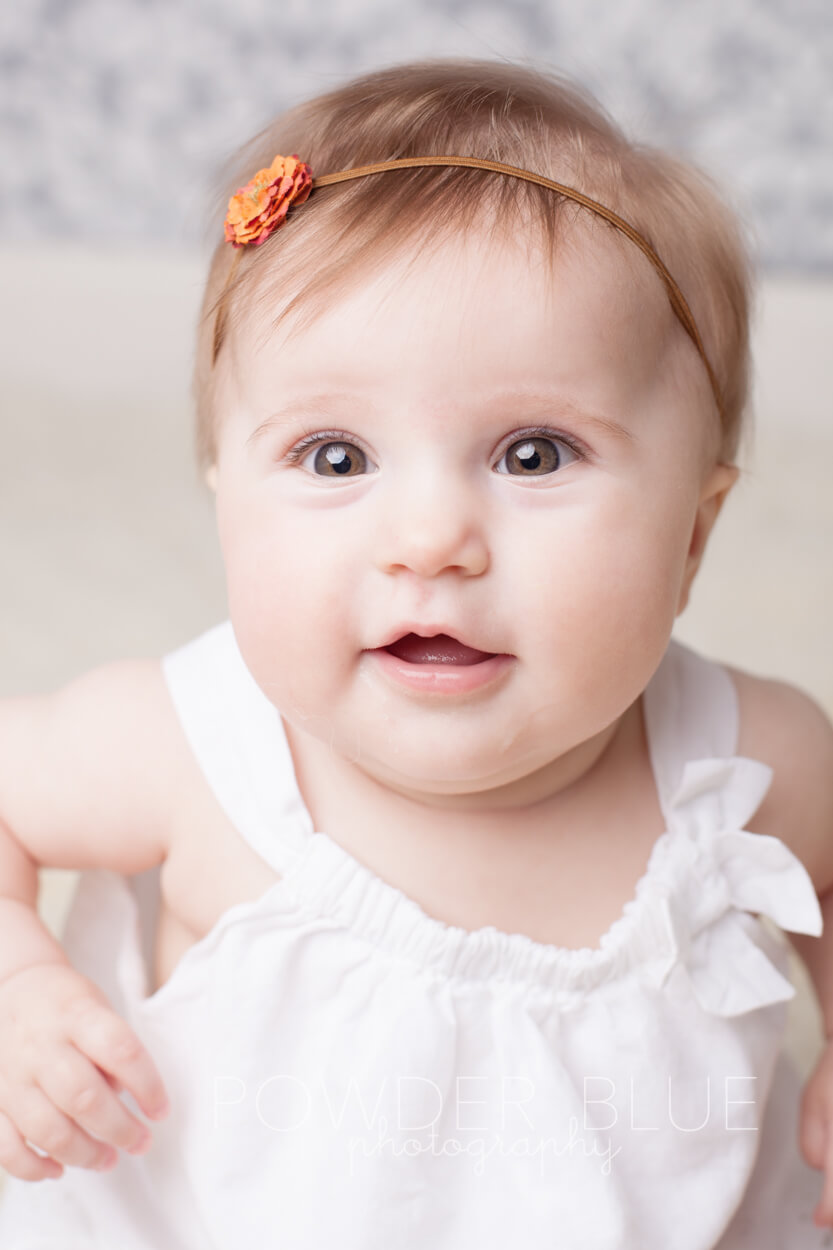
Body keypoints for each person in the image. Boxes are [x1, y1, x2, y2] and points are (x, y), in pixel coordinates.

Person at [0, 56, 832, 1249]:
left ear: (691, 532)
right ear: (224, 498)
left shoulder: (743, 768)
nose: (430, 539)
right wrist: (20, 988)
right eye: (335, 457)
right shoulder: (191, 750)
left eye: (533, 454)